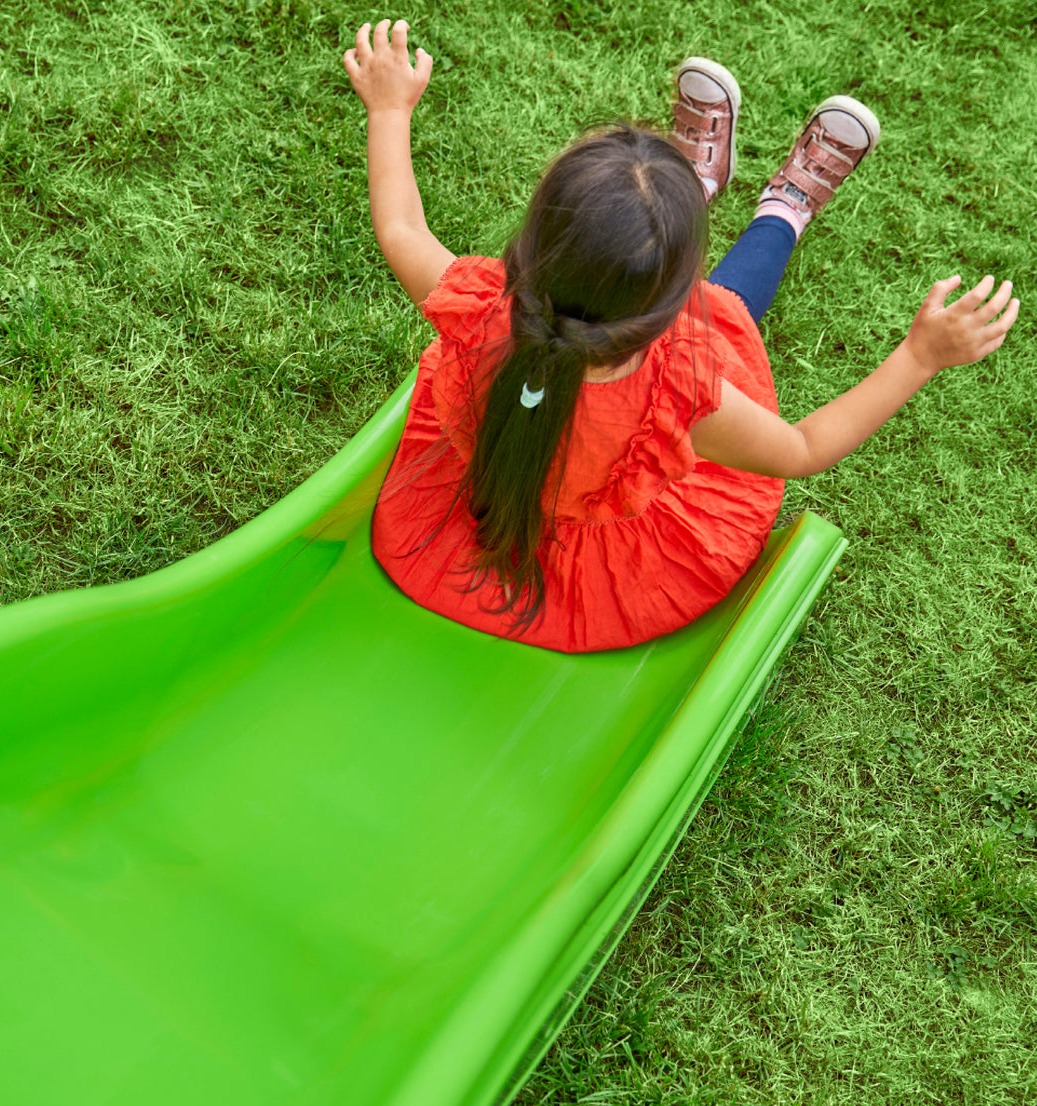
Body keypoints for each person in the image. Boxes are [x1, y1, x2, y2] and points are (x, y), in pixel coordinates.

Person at [341, 19, 1019, 653]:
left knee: (696, 287)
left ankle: (690, 188)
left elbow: (401, 228)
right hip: (599, 573)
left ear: (534, 247)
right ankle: (783, 208)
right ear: (675, 303)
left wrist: (389, 110)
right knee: (731, 306)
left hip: (458, 531)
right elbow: (804, 448)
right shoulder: (679, 400)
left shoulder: (476, 308)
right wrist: (920, 355)